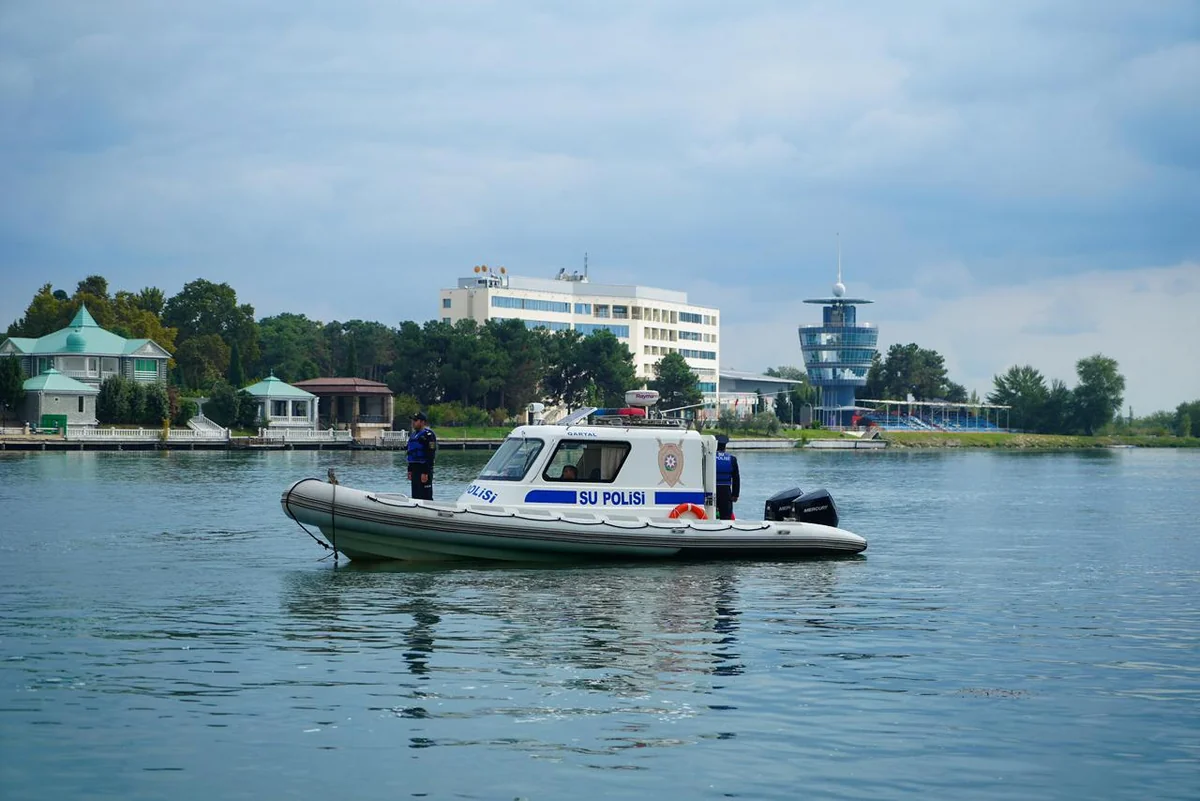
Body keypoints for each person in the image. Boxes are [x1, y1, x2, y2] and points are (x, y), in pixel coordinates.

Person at [406, 412, 437, 500]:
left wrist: (425, 472)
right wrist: (410, 470)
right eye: (413, 420)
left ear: (422, 422)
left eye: (416, 420)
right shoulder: (413, 435)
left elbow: (431, 454)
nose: (413, 422)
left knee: (425, 495)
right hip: (415, 469)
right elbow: (410, 454)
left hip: (424, 468)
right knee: (416, 494)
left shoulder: (428, 435)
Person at [714, 434, 740, 520]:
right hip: (726, 491)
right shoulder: (732, 459)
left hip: (712, 489)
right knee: (726, 517)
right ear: (725, 447)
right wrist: (735, 495)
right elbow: (736, 478)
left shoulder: (710, 458)